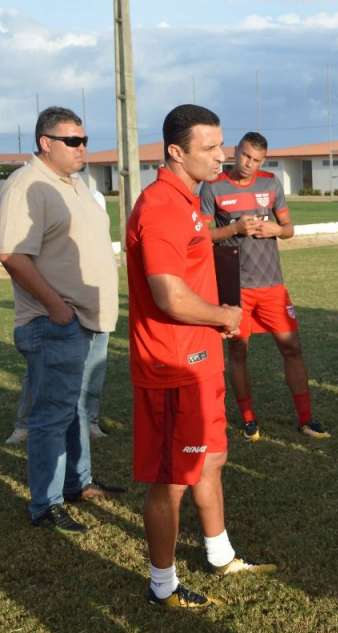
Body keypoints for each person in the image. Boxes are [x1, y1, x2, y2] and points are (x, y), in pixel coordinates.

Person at [127, 104, 274, 610]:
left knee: (212, 458)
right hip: (173, 365)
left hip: (200, 358)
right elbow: (168, 296)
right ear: (175, 151)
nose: (221, 155)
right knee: (172, 479)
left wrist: (216, 320)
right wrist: (224, 314)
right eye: (209, 147)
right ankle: (162, 585)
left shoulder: (187, 199)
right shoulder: (160, 206)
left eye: (221, 144)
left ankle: (220, 554)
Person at [0, 106, 124, 532]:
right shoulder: (27, 185)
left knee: (76, 409)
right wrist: (57, 309)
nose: (82, 147)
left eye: (84, 140)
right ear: (45, 143)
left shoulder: (75, 183)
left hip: (89, 319)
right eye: (72, 141)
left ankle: (77, 483)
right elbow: (13, 255)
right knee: (52, 416)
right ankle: (45, 504)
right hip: (55, 323)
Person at [199, 133, 330, 441]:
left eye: (257, 160)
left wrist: (276, 229)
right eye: (246, 156)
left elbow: (289, 229)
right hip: (237, 288)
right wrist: (234, 228)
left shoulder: (271, 183)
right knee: (239, 352)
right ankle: (249, 420)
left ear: (263, 161)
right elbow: (201, 237)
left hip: (272, 286)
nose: (249, 164)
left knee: (292, 348)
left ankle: (306, 418)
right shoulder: (213, 186)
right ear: (235, 151)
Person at [5, 177, 112, 444]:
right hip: (62, 307)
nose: (81, 155)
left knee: (93, 371)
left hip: (97, 302)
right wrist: (56, 306)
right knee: (45, 376)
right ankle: (25, 425)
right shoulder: (31, 189)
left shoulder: (92, 196)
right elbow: (14, 256)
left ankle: (89, 422)